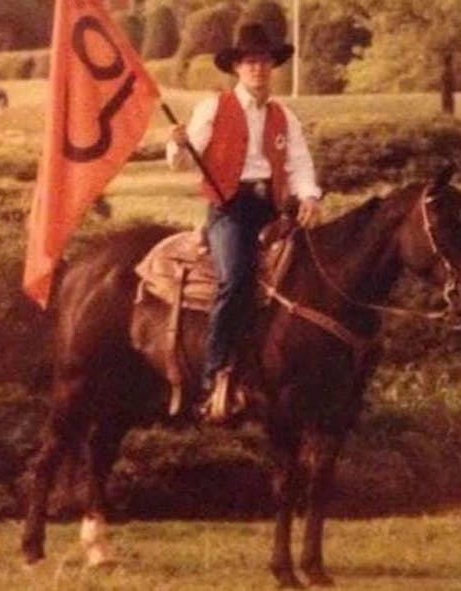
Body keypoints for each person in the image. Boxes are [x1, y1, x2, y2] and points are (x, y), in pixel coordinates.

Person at [167, 23, 322, 410]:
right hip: (229, 210)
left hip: (271, 210)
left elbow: (299, 163)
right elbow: (185, 161)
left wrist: (310, 196)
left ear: (273, 66)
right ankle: (212, 371)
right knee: (235, 280)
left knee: (309, 278)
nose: (258, 69)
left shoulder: (284, 116)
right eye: (251, 62)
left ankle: (288, 367)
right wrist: (176, 144)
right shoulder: (213, 108)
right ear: (237, 67)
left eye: (265, 61)